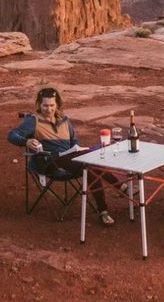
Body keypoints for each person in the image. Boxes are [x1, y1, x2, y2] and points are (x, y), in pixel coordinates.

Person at [7, 86, 117, 226]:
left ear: (57, 104)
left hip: (70, 161)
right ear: (39, 105)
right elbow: (12, 135)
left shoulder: (64, 120)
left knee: (90, 167)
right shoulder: (33, 121)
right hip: (50, 163)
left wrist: (77, 148)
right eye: (45, 105)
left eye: (52, 105)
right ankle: (118, 188)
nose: (49, 109)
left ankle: (103, 211)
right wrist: (26, 141)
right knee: (90, 160)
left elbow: (74, 142)